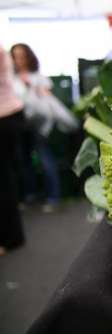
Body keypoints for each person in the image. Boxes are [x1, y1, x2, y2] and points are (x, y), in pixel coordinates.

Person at [11, 43, 78, 212]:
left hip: (39, 125)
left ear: (28, 57)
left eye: (22, 56)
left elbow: (47, 96)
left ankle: (53, 197)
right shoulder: (11, 79)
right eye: (15, 56)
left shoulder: (38, 77)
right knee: (24, 162)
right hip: (19, 125)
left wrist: (33, 89)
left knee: (46, 158)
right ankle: (30, 196)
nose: (19, 60)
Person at [0, 43, 25, 255]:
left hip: (4, 117)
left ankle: (10, 238)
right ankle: (12, 236)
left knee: (3, 181)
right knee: (7, 178)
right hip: (11, 114)